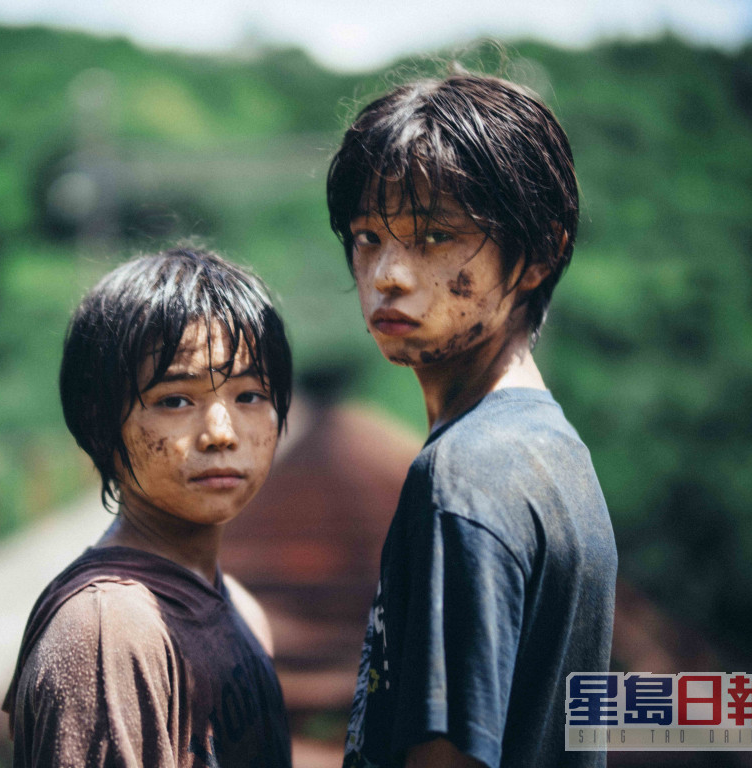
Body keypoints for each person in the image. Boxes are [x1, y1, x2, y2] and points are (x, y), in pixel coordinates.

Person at [326, 67, 618, 768]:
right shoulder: (550, 447)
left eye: (433, 237)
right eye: (368, 236)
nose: (388, 274)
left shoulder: (464, 476)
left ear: (539, 254)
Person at [2, 247, 293, 768]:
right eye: (175, 401)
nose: (221, 434)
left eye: (250, 395)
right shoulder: (107, 634)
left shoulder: (239, 607)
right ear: (99, 419)